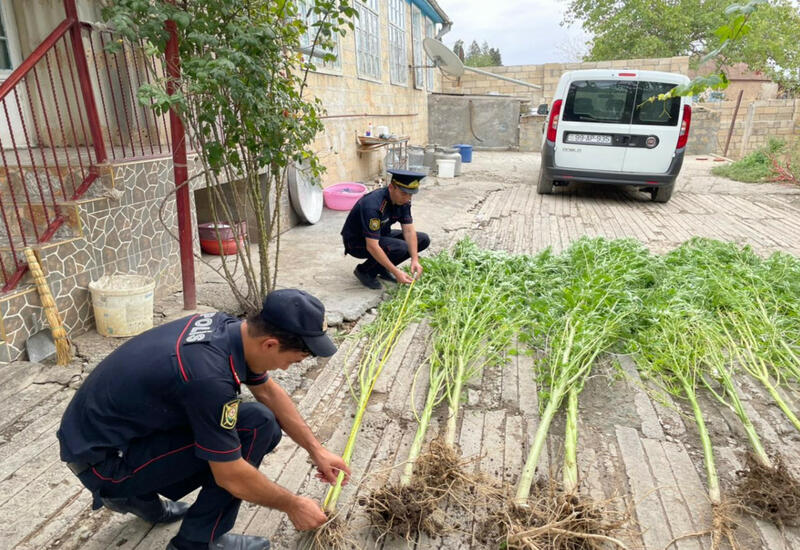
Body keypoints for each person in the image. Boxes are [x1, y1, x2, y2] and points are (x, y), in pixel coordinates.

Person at [57, 289, 351, 550]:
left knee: (259, 418)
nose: (286, 369)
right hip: (105, 464)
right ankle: (194, 541)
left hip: (104, 437)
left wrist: (317, 450)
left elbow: (270, 393)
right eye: (293, 360)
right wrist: (294, 505)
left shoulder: (229, 329)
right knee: (255, 429)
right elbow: (231, 475)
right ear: (270, 345)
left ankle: (137, 497)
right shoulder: (209, 378)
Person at [340, 168, 431, 289]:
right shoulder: (373, 206)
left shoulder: (403, 201)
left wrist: (415, 259)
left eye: (411, 194)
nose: (407, 198)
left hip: (380, 235)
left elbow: (409, 231)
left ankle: (381, 268)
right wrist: (396, 272)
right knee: (399, 247)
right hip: (357, 242)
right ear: (391, 187)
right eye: (404, 193)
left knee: (423, 239)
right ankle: (365, 271)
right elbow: (372, 246)